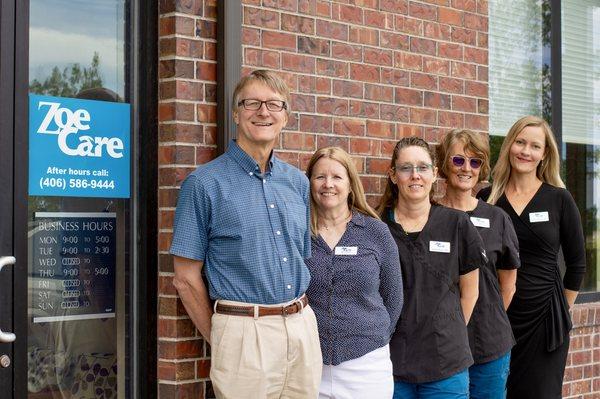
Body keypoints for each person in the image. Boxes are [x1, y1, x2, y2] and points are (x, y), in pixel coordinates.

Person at [169, 70, 322, 399]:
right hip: (243, 332)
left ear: (286, 117)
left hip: (301, 327)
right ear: (236, 113)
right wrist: (224, 338)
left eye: (273, 104)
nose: (263, 112)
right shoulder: (205, 184)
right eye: (251, 103)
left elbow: (300, 256)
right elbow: (184, 277)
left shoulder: (298, 183)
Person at [477, 115, 586, 399]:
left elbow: (577, 264)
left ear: (544, 154)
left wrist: (561, 307)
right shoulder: (487, 198)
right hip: (498, 317)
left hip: (546, 322)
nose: (526, 151)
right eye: (520, 142)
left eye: (535, 146)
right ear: (509, 145)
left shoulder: (559, 199)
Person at [379, 136, 486, 399]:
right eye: (405, 168)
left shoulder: (457, 224)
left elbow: (470, 293)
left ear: (435, 174)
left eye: (423, 167)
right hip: (392, 364)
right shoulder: (377, 228)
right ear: (393, 175)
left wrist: (446, 330)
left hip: (445, 364)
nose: (415, 175)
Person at [305, 147, 403, 399]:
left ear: (350, 184)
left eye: (337, 177)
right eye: (320, 177)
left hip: (366, 364)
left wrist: (370, 335)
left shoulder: (375, 233)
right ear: (310, 182)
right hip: (309, 364)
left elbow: (394, 297)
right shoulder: (298, 233)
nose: (328, 184)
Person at [436, 129, 520, 399]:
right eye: (458, 160)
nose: (466, 169)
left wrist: (482, 320)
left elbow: (508, 286)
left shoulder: (497, 218)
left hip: (489, 343)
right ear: (444, 165)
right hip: (439, 344)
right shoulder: (428, 216)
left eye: (475, 162)